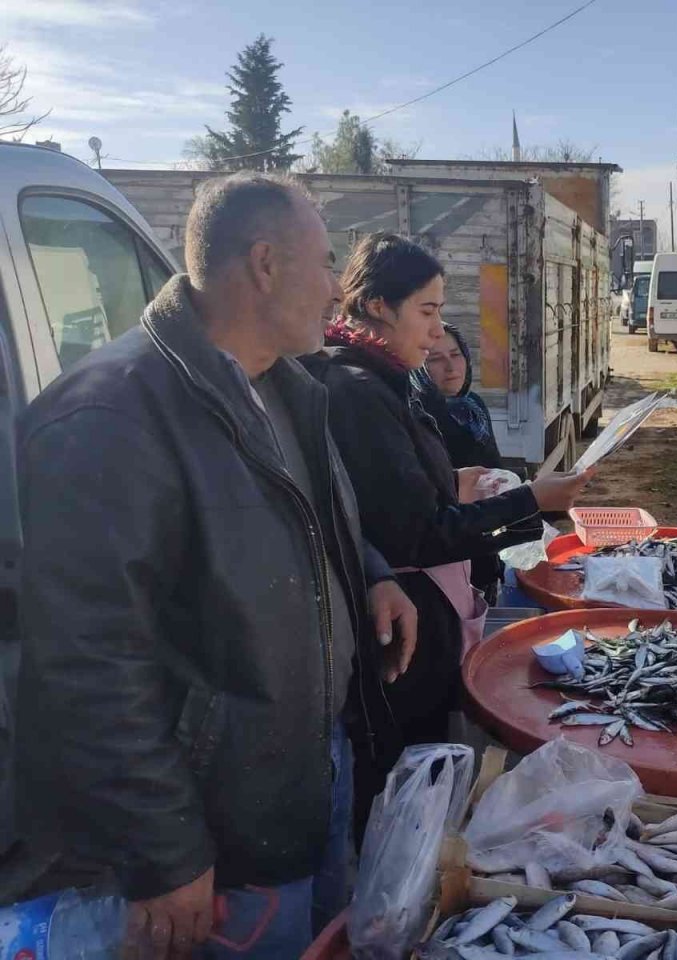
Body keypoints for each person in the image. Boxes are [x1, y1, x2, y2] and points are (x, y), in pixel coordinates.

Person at [13, 173, 418, 959]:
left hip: (303, 779)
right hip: (215, 829)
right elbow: (88, 664)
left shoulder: (282, 384)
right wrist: (164, 850)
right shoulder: (107, 417)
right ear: (265, 263)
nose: (338, 289)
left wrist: (371, 571)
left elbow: (303, 516)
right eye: (326, 262)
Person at [304, 233, 592, 832]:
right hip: (401, 633)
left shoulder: (382, 379)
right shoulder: (356, 391)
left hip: (421, 613)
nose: (438, 334)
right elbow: (420, 535)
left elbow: (390, 493)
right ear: (379, 306)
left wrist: (458, 479)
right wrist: (530, 499)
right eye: (428, 312)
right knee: (403, 792)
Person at [423, 322, 509, 602]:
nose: (450, 367)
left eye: (456, 354)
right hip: (451, 551)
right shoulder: (421, 417)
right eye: (435, 359)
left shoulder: (474, 408)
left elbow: (495, 468)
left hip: (488, 542)